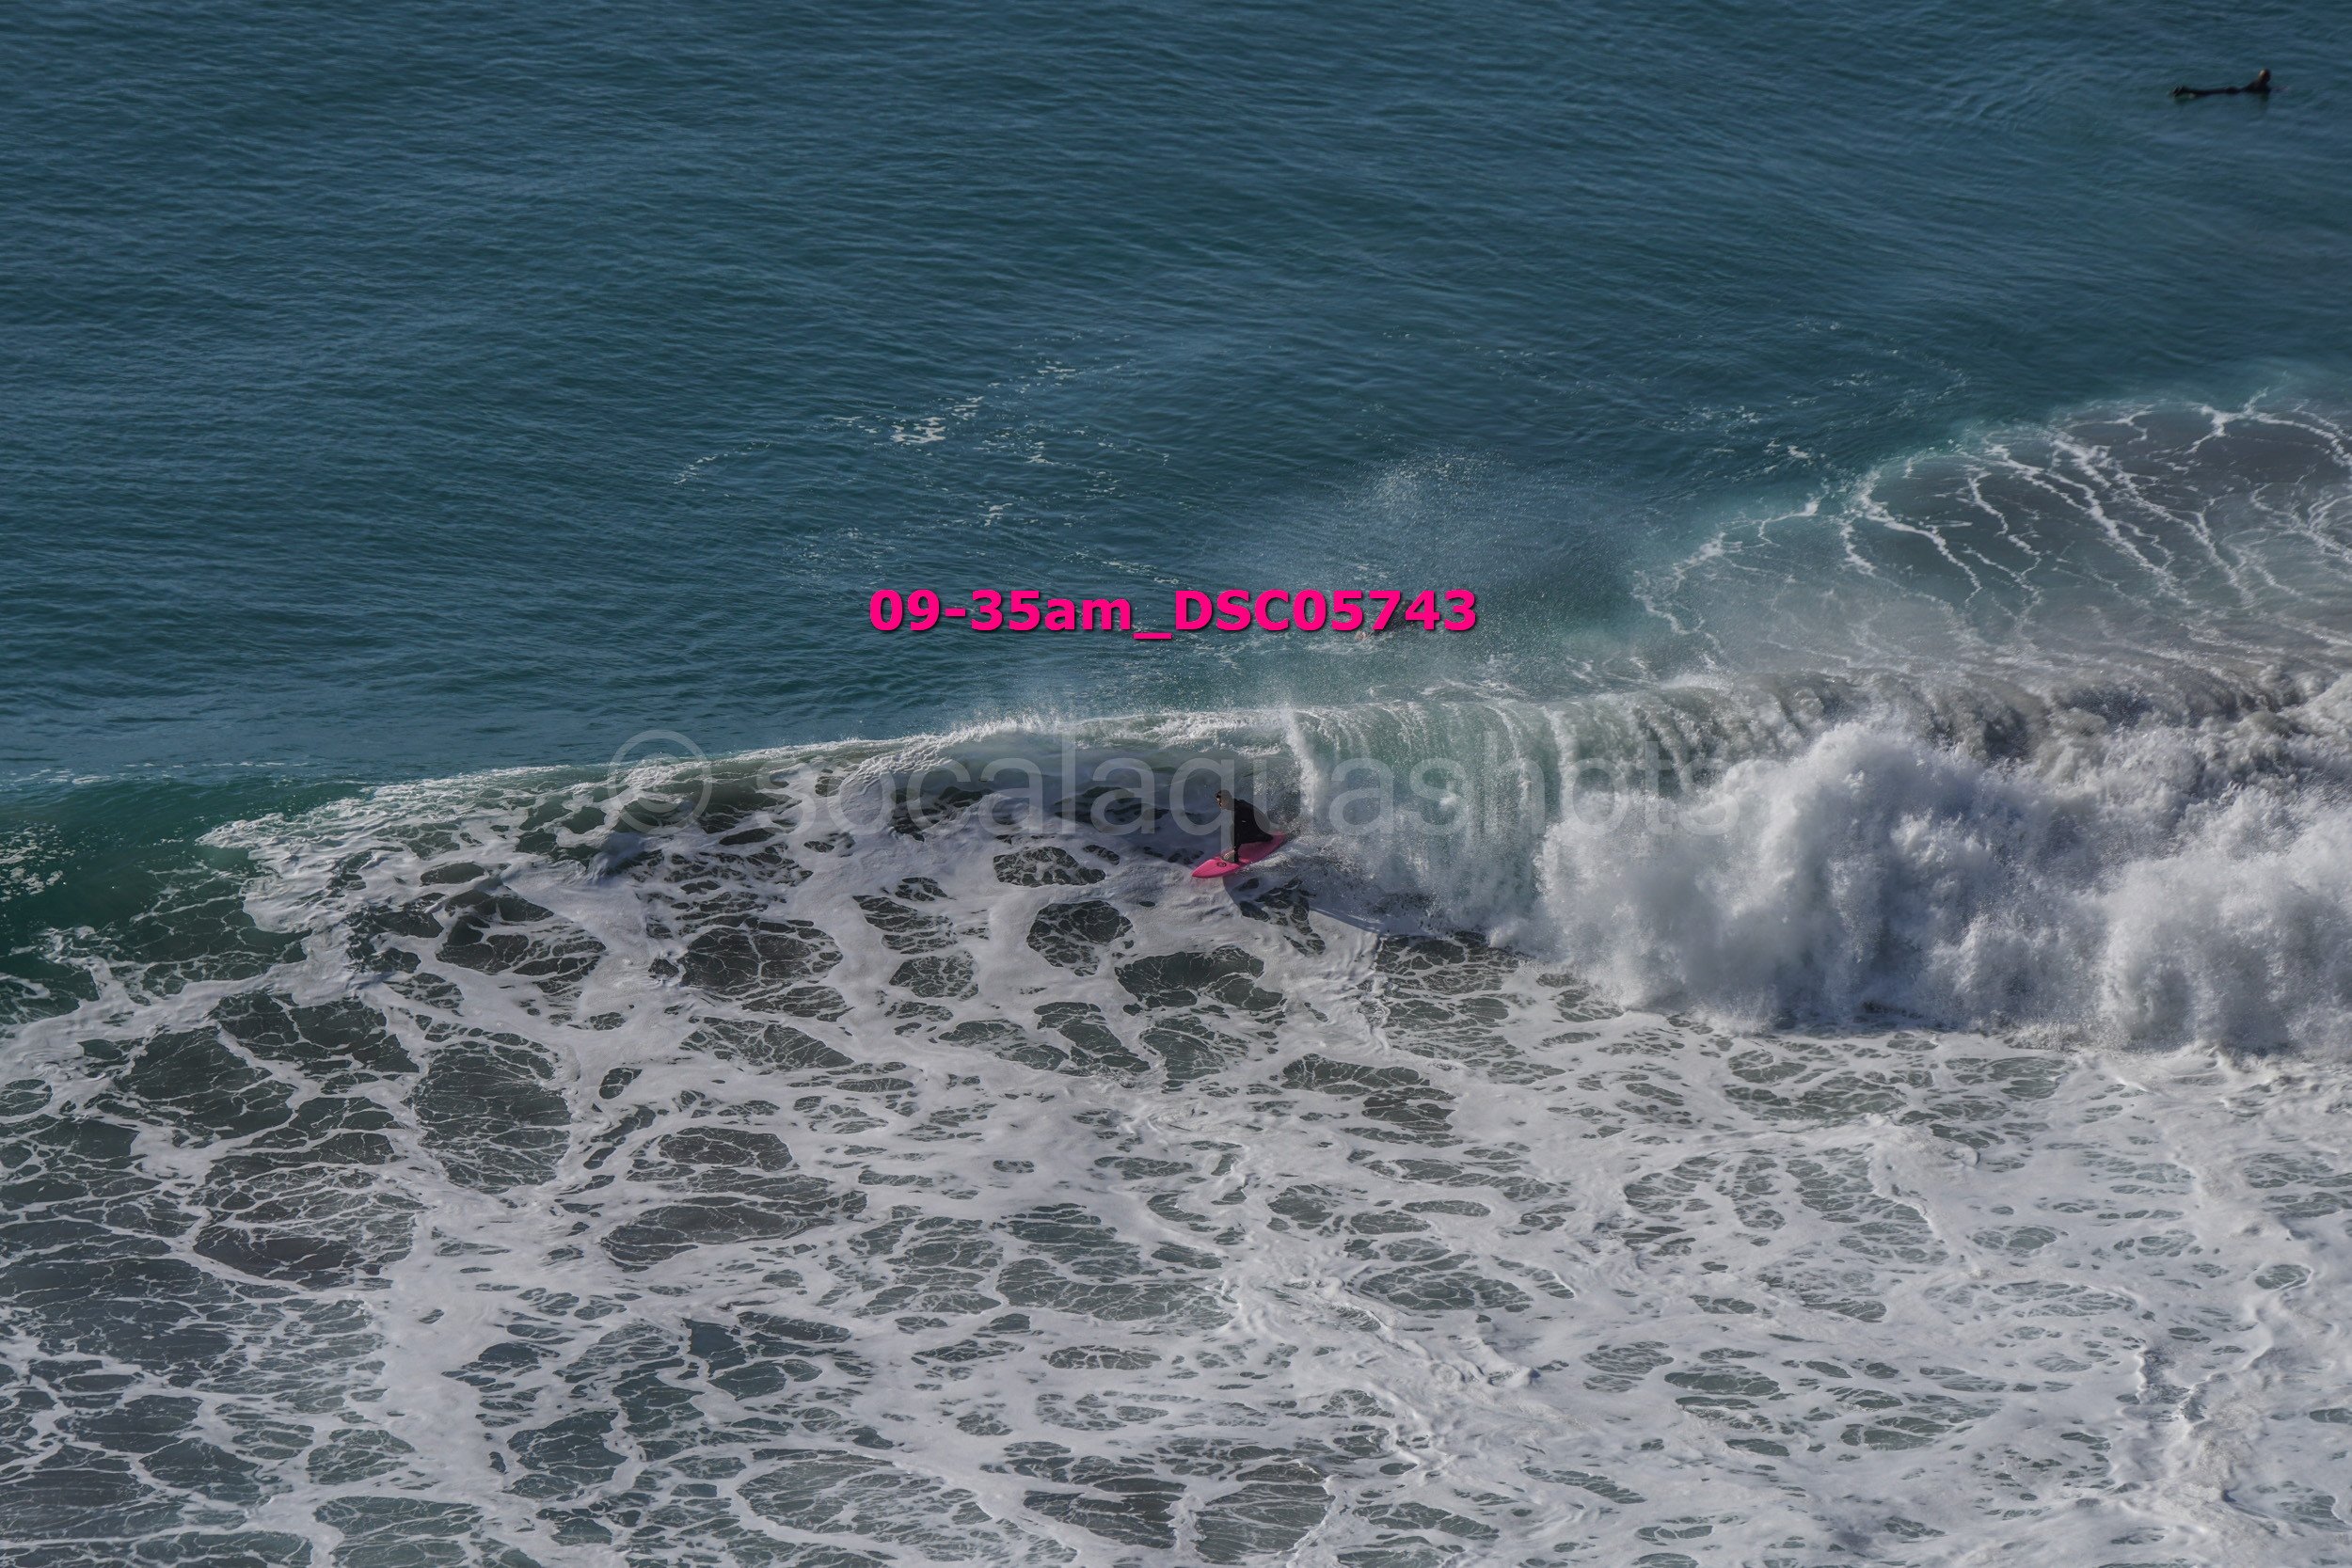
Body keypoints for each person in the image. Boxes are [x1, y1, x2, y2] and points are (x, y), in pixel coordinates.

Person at [1213, 789, 1277, 861]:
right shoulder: (1237, 802)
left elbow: (1240, 833)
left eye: (1220, 802)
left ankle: (1265, 837)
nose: (1219, 804)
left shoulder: (1236, 811)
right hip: (1262, 823)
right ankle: (1235, 851)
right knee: (1233, 828)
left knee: (1237, 834)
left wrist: (1235, 849)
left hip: (1263, 827)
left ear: (1226, 800)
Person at [2173, 69, 2271, 99]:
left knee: (2206, 93)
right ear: (2267, 78)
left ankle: (2185, 90)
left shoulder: (2256, 82)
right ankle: (2185, 90)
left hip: (2233, 89)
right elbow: (2269, 91)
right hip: (2234, 92)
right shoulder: (2263, 86)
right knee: (2206, 93)